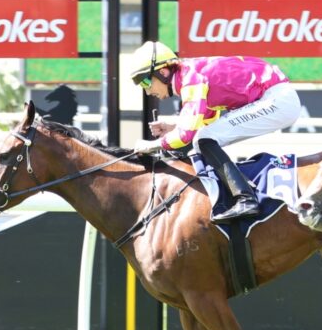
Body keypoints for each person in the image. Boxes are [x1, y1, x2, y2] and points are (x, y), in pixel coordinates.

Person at [129, 41, 302, 224]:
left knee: (203, 139)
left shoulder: (191, 79)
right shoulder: (189, 75)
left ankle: (246, 198)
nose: (147, 91)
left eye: (146, 81)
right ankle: (239, 193)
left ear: (163, 72)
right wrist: (176, 125)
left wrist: (152, 145)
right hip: (277, 98)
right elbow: (208, 120)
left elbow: (186, 136)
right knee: (203, 139)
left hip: (277, 100)